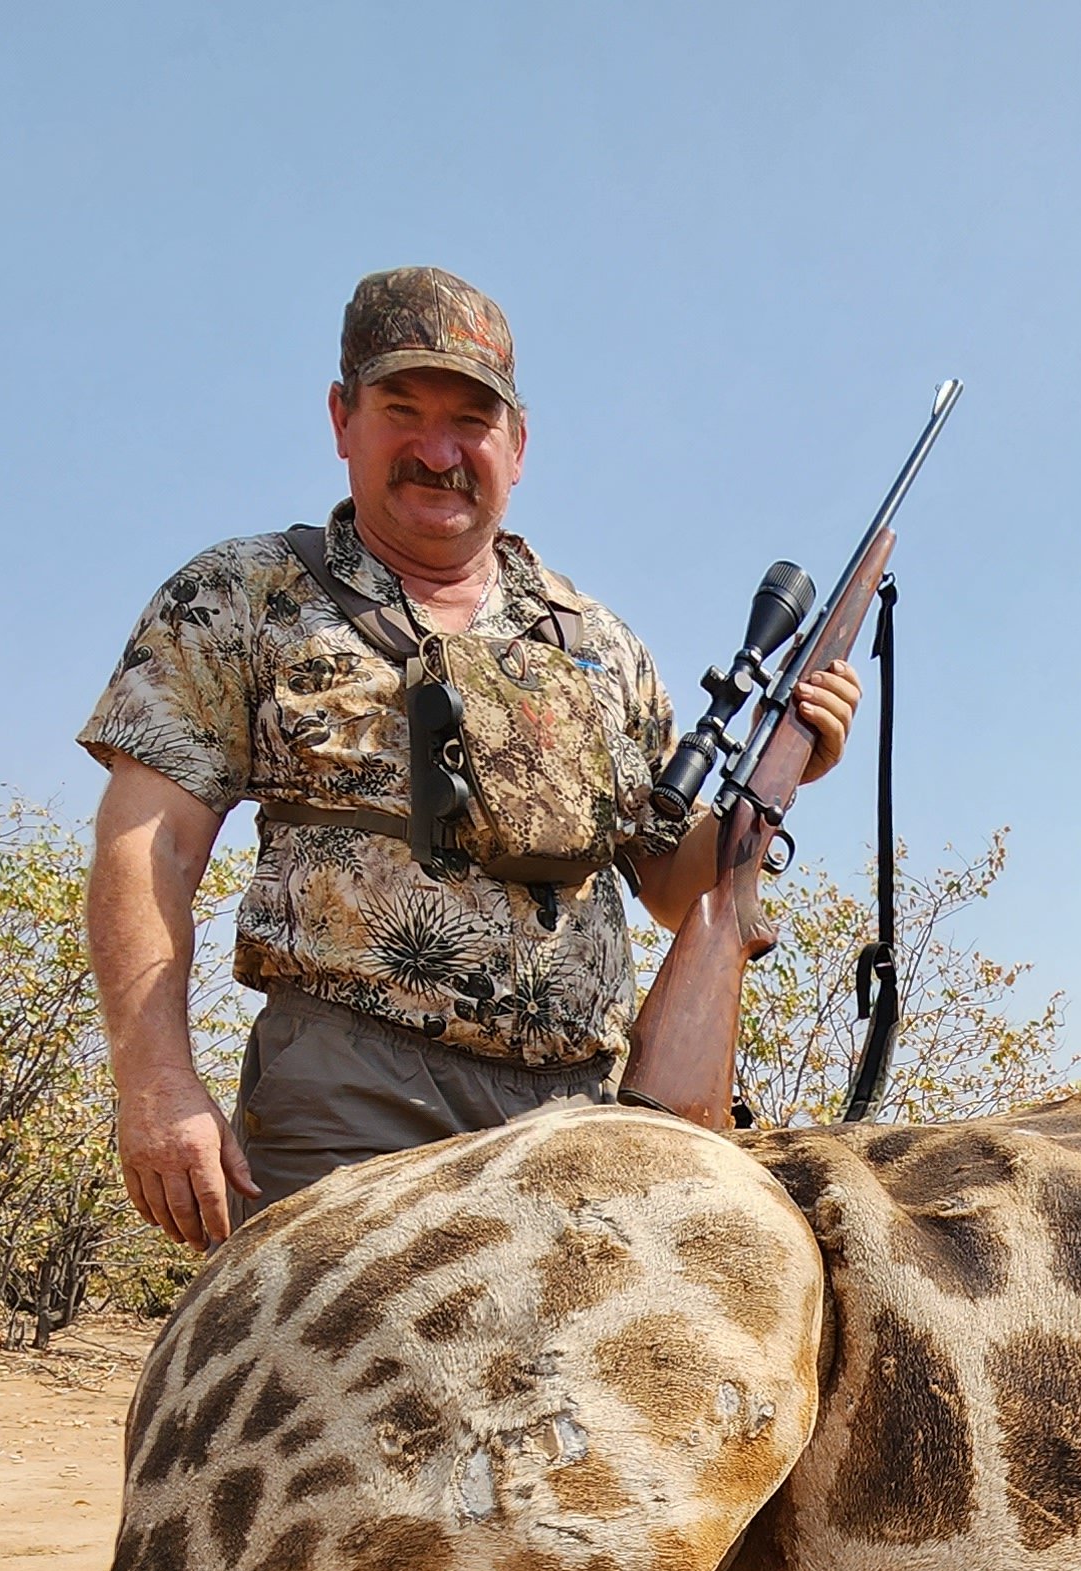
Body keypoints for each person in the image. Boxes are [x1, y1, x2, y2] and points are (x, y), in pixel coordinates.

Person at [80, 266, 858, 1245]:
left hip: (579, 1122)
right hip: (351, 1105)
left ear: (517, 444)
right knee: (345, 1392)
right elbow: (146, 847)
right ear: (341, 420)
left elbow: (671, 886)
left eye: (471, 421)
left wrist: (776, 790)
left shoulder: (595, 640)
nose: (437, 450)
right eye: (402, 409)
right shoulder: (243, 595)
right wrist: (155, 1082)